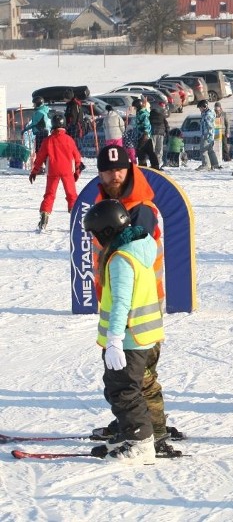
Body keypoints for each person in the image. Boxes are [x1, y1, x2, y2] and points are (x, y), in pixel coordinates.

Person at [91, 144, 181, 454]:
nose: (114, 174)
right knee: (122, 376)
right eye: (107, 170)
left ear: (130, 169)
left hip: (141, 303)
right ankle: (130, 423)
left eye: (119, 169)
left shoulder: (140, 208)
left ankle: (152, 432)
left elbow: (130, 257)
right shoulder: (106, 202)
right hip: (116, 301)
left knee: (139, 376)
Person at [82, 199, 163, 464]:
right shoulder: (139, 248)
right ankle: (128, 432)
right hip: (143, 336)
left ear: (106, 231)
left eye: (95, 235)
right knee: (120, 388)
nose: (95, 241)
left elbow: (121, 303)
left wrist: (114, 339)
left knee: (124, 392)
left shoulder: (121, 259)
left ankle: (140, 444)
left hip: (129, 339)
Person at [28, 115, 84, 231]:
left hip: (53, 170)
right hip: (67, 170)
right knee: (71, 195)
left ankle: (44, 216)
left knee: (49, 194)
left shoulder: (48, 140)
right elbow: (77, 156)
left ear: (53, 125)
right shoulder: (69, 139)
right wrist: (78, 167)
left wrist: (34, 171)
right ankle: (76, 219)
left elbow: (40, 157)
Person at [134, 100, 160, 170]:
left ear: (138, 106)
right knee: (148, 150)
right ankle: (153, 165)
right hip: (142, 135)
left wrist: (145, 133)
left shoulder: (143, 114)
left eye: (135, 107)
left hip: (144, 135)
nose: (134, 109)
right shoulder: (139, 113)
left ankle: (147, 166)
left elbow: (146, 124)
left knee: (141, 150)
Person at [196, 100, 221, 171]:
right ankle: (215, 164)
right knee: (210, 150)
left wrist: (209, 135)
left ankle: (206, 165)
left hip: (207, 135)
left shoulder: (208, 115)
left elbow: (210, 126)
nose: (199, 109)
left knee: (203, 150)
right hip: (209, 135)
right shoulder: (207, 113)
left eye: (200, 108)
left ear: (204, 107)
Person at [148, 102, 169, 167]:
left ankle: (153, 163)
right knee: (159, 149)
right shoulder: (161, 115)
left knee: (152, 149)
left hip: (153, 133)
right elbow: (166, 125)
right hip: (161, 133)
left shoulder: (150, 116)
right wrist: (167, 133)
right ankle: (158, 163)